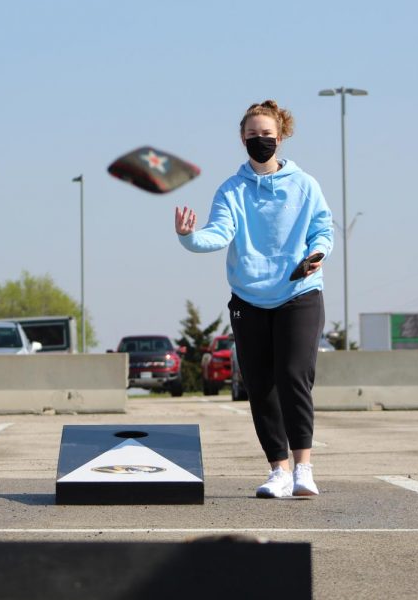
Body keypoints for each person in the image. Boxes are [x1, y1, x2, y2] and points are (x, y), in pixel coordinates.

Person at [175, 100, 333, 498]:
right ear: (241, 138)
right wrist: (190, 237)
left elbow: (323, 231)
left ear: (281, 137)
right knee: (260, 385)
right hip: (249, 297)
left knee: (293, 376)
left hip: (299, 292)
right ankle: (277, 470)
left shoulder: (305, 185)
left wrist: (317, 255)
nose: (260, 141)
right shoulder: (231, 189)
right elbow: (219, 233)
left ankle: (303, 469)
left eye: (267, 135)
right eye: (252, 135)